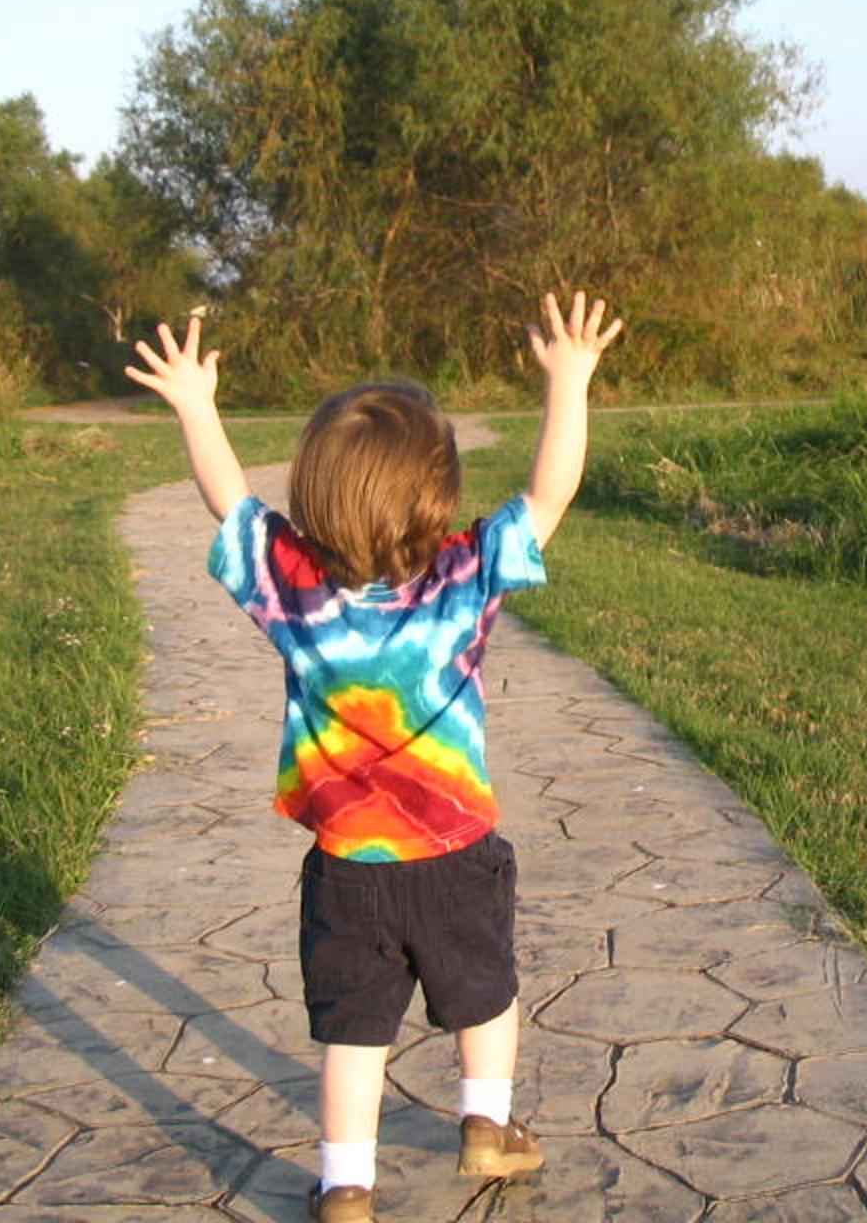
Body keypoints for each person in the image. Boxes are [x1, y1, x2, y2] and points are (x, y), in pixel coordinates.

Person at [126, 291, 624, 1223]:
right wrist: (571, 381)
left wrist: (196, 406)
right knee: (484, 995)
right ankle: (488, 1128)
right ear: (436, 492)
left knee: (352, 1030)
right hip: (455, 854)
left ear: (314, 492)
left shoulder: (293, 590)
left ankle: (347, 1185)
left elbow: (230, 506)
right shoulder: (464, 577)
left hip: (347, 865)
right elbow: (551, 493)